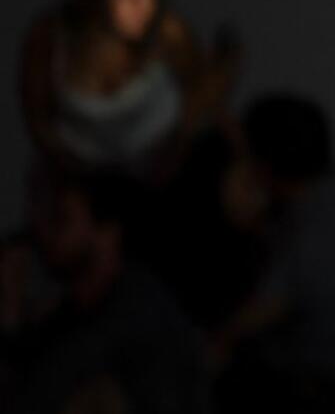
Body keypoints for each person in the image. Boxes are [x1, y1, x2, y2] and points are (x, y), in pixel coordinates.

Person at [211, 95, 335, 411]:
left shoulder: (322, 220)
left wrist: (216, 343)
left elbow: (268, 307)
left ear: (263, 165)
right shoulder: (332, 191)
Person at [20, 0, 237, 181]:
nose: (142, 6)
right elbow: (38, 118)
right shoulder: (51, 39)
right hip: (78, 182)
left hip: (161, 177)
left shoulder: (168, 35)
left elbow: (203, 95)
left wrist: (175, 154)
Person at [5, 171, 208, 414]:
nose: (46, 234)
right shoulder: (76, 309)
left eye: (63, 220)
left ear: (108, 234)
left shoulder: (141, 321)